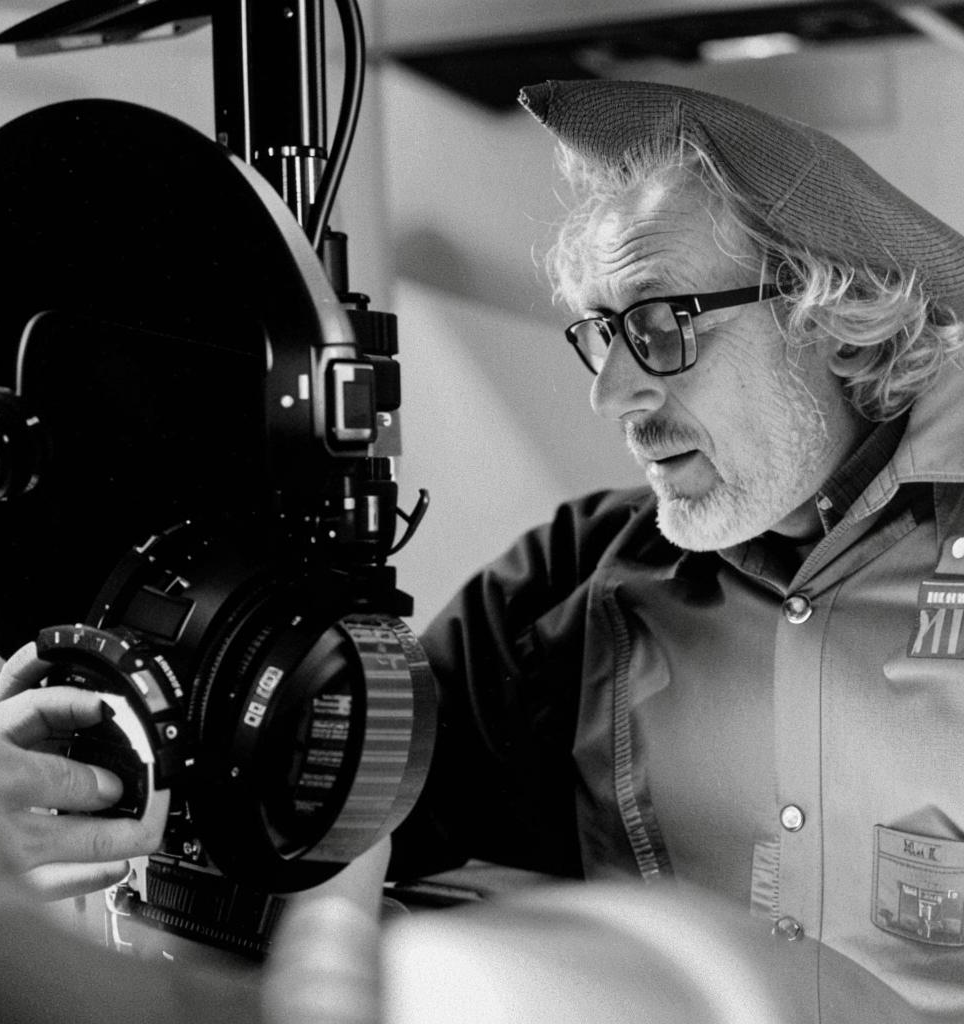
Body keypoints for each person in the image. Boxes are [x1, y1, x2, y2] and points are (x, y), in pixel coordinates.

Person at [386, 79, 964, 1022]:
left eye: (662, 326)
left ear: (832, 317)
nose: (612, 393)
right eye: (604, 335)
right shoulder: (581, 577)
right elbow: (354, 778)